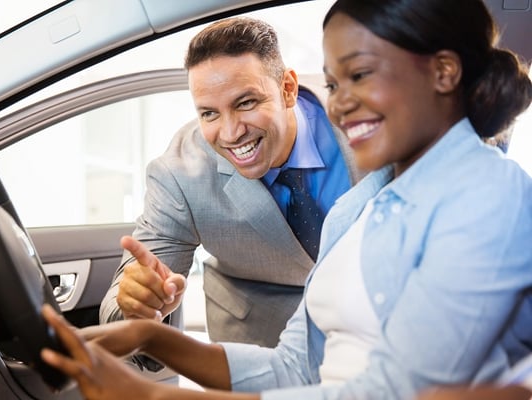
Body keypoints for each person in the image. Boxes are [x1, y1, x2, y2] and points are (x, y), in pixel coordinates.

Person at [40, 0, 532, 398]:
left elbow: (402, 389)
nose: (340, 103)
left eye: (361, 76)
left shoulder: (494, 196)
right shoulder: (357, 209)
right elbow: (297, 366)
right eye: (336, 83)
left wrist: (157, 397)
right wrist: (150, 332)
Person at [100, 16, 363, 349]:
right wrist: (138, 304)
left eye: (246, 103)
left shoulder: (364, 108)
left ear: (287, 89)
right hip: (264, 341)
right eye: (209, 113)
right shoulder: (179, 175)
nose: (230, 133)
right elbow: (122, 303)